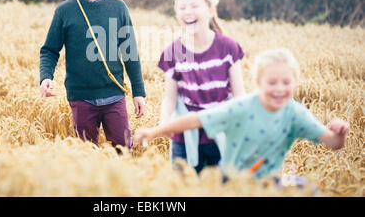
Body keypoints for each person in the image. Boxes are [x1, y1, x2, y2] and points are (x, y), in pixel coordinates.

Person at [135, 48, 349, 180]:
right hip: (232, 182)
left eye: (286, 82)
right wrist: (155, 131)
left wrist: (339, 133)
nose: (279, 88)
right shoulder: (242, 107)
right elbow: (195, 120)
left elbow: (332, 142)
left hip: (268, 184)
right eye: (272, 82)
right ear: (257, 83)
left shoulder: (295, 113)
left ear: (295, 82)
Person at [39, 0, 146, 149]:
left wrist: (138, 92)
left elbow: (130, 52)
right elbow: (49, 50)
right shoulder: (64, 11)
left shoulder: (118, 7)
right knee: (86, 157)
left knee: (124, 151)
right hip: (81, 98)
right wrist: (46, 77)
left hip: (114, 95)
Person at [156, 0, 246, 173]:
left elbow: (239, 95)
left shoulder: (228, 48)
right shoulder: (173, 51)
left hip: (222, 133)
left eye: (194, 5)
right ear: (177, 14)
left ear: (211, 10)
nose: (188, 11)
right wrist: (164, 122)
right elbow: (170, 98)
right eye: (182, 7)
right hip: (185, 136)